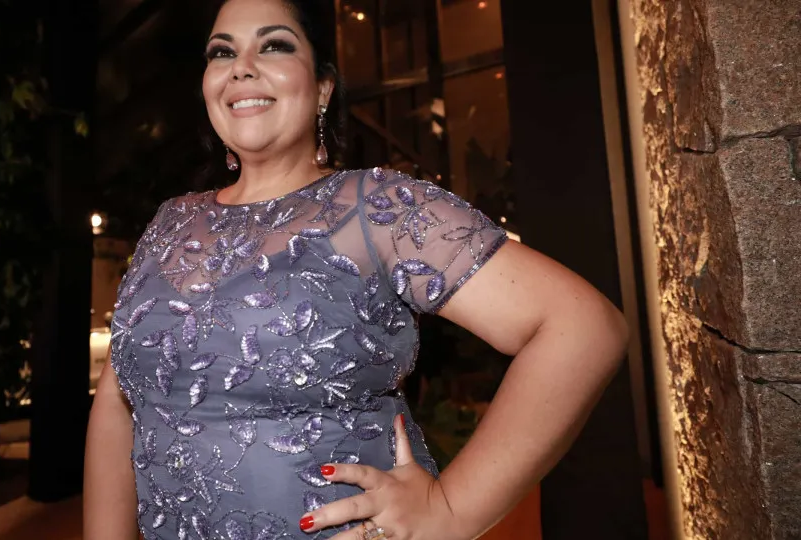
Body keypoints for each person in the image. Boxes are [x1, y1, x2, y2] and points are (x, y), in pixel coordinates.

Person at [83, 1, 629, 538]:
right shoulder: (172, 221)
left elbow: (582, 328)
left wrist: (450, 511)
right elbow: (119, 398)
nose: (241, 67)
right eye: (221, 52)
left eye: (274, 45)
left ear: (323, 88)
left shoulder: (377, 208)